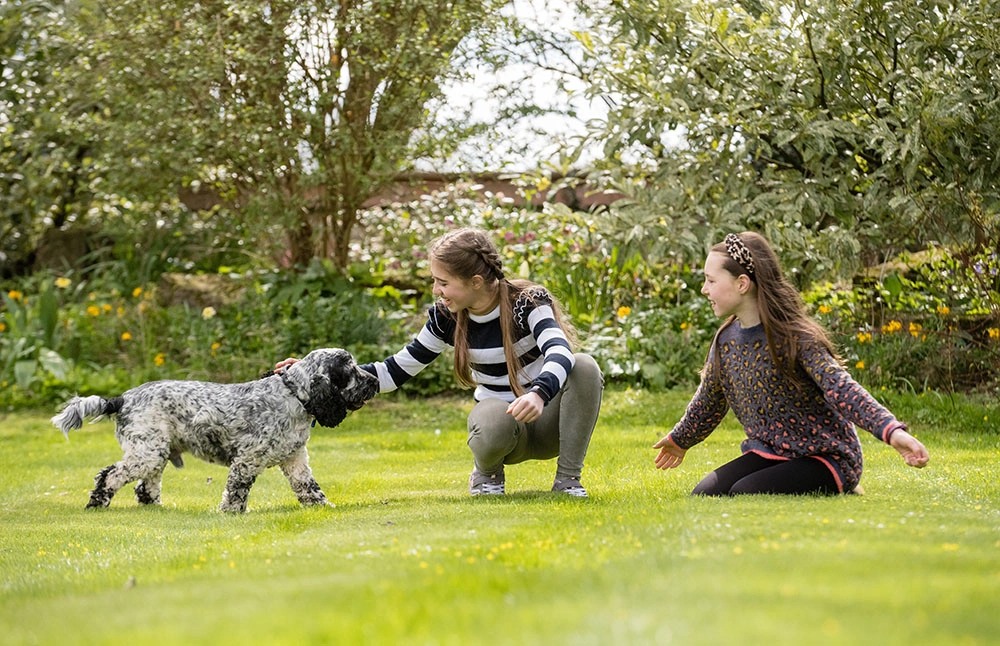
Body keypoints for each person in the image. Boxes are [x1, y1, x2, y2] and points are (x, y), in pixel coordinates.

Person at [279, 227, 604, 497]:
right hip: (503, 430)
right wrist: (317, 373)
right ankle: (487, 475)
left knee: (584, 365)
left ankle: (567, 481)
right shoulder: (446, 318)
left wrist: (538, 393)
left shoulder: (528, 302)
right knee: (491, 416)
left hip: (548, 422)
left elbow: (559, 350)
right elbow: (396, 370)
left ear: (476, 281)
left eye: (443, 282)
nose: (437, 290)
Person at [652, 232, 929, 496]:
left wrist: (892, 432)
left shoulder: (796, 337)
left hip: (826, 457)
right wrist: (680, 441)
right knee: (706, 493)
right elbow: (709, 401)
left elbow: (843, 389)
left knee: (745, 492)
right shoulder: (725, 340)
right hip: (770, 452)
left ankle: (841, 486)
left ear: (742, 283)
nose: (704, 289)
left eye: (710, 281)